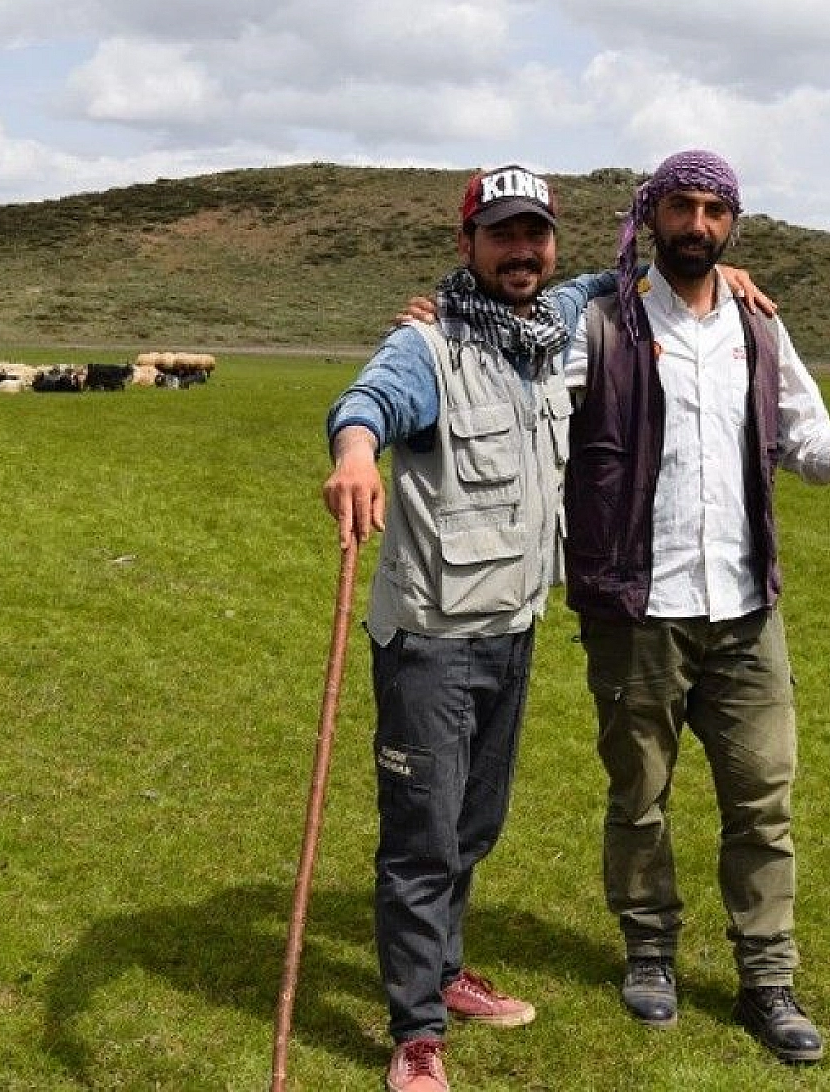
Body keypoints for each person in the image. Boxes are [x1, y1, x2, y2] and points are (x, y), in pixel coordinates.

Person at [323, 164, 770, 1092]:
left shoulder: (554, 326)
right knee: (421, 839)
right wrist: (356, 455)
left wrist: (720, 275)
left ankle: (446, 972)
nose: (520, 251)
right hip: (431, 638)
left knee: (473, 824)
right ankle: (416, 1033)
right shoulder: (427, 346)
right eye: (501, 236)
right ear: (467, 246)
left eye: (534, 235)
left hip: (512, 628)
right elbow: (367, 403)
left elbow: (637, 271)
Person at [561, 149, 830, 1065]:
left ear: (732, 224)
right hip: (635, 610)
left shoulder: (759, 331)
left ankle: (768, 979)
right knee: (639, 798)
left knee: (764, 802)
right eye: (680, 207)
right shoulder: (601, 325)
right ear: (651, 215)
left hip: (746, 614)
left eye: (714, 211)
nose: (697, 225)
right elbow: (523, 379)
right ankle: (650, 954)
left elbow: (811, 447)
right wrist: (439, 316)